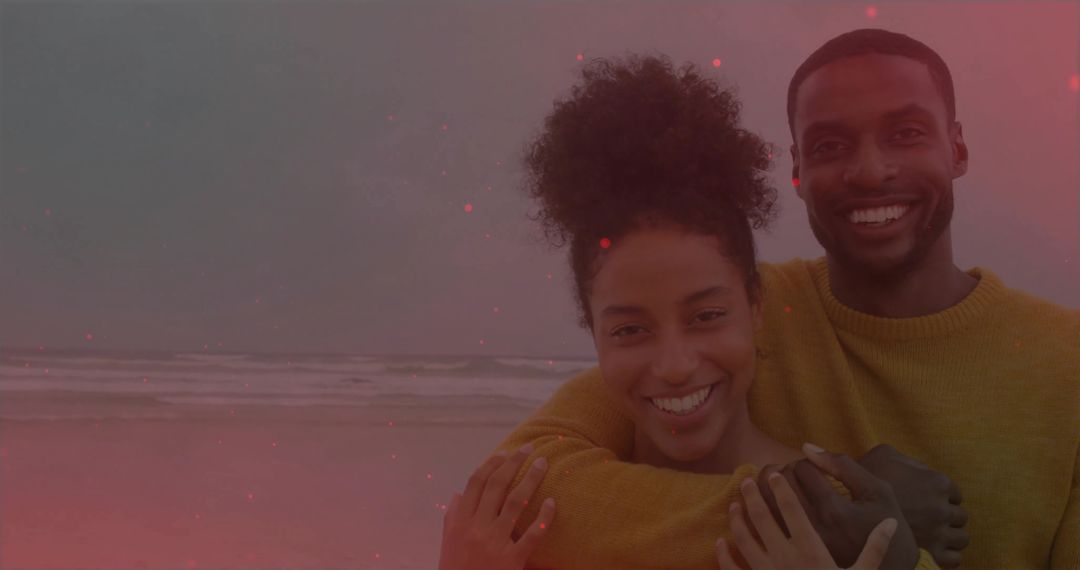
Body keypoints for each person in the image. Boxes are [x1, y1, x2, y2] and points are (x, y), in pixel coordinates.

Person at [482, 28, 1080, 570]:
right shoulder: (736, 316)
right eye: (830, 145)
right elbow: (528, 478)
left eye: (906, 133)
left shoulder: (1067, 365)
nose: (870, 171)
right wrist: (834, 508)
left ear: (957, 149)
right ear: (796, 170)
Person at [440, 53, 917, 570]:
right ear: (592, 332)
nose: (674, 364)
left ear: (756, 306)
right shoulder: (526, 530)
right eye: (630, 329)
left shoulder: (846, 530)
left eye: (706, 316)